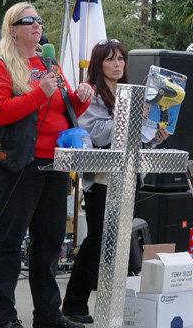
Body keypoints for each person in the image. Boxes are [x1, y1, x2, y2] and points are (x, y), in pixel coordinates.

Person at [0, 2, 94, 328]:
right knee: (8, 242)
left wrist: (80, 97)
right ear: (12, 29)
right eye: (27, 20)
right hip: (20, 164)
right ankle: (5, 318)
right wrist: (38, 93)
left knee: (49, 244)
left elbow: (64, 109)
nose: (36, 25)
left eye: (38, 20)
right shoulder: (0, 65)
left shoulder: (49, 62)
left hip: (55, 164)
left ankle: (47, 315)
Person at [61, 39, 169, 324]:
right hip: (101, 179)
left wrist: (155, 136)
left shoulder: (132, 92)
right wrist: (129, 116)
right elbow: (96, 133)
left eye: (121, 59)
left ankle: (109, 301)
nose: (117, 64)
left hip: (129, 176)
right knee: (97, 239)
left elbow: (137, 140)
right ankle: (74, 303)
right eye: (110, 59)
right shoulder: (92, 94)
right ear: (99, 64)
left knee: (118, 242)